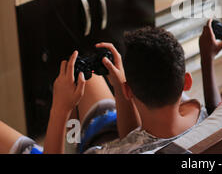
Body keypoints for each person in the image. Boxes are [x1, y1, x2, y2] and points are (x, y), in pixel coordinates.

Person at [0, 26, 207, 154]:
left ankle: (72, 139)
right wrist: (119, 87)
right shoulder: (200, 113)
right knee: (87, 79)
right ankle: (74, 138)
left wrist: (60, 110)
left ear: (130, 92)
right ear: (186, 82)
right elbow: (134, 139)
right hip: (126, 138)